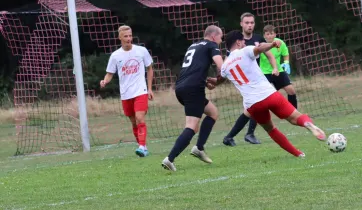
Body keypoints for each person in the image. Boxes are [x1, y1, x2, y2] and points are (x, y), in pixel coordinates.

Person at [215, 30, 325, 158]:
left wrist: (212, 83)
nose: (245, 43)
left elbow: (220, 79)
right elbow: (260, 48)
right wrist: (272, 45)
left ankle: (298, 154)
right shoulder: (245, 51)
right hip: (269, 94)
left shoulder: (225, 66)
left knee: (271, 129)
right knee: (295, 117)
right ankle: (308, 124)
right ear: (238, 42)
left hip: (253, 104)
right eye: (243, 41)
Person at [161, 25, 224, 172]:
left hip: (181, 87)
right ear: (214, 36)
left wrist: (206, 80)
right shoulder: (212, 45)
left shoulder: (194, 45)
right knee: (191, 126)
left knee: (213, 112)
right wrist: (219, 80)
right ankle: (169, 159)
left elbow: (194, 68)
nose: (220, 41)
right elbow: (222, 67)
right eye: (220, 38)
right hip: (193, 89)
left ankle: (199, 148)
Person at [222, 12, 278, 146]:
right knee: (253, 109)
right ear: (241, 24)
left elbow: (269, 54)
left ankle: (237, 136)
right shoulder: (236, 42)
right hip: (246, 84)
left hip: (257, 81)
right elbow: (227, 63)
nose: (249, 25)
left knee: (252, 110)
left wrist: (275, 67)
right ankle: (242, 135)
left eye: (252, 23)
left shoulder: (258, 38)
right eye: (247, 23)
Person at [101, 25, 154, 157]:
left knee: (139, 118)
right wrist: (105, 81)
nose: (129, 38)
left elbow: (150, 69)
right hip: (126, 94)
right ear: (120, 38)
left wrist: (150, 89)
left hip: (140, 91)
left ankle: (142, 146)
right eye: (126, 36)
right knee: (133, 122)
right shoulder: (115, 56)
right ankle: (143, 147)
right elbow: (109, 73)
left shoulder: (141, 51)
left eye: (130, 35)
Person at [260, 24, 297, 107]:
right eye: (268, 34)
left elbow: (285, 54)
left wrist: (286, 62)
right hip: (264, 73)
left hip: (278, 71)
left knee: (291, 91)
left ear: (275, 34)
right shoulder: (261, 45)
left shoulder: (280, 43)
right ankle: (255, 118)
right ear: (264, 35)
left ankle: (295, 114)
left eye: (272, 33)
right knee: (261, 98)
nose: (270, 36)